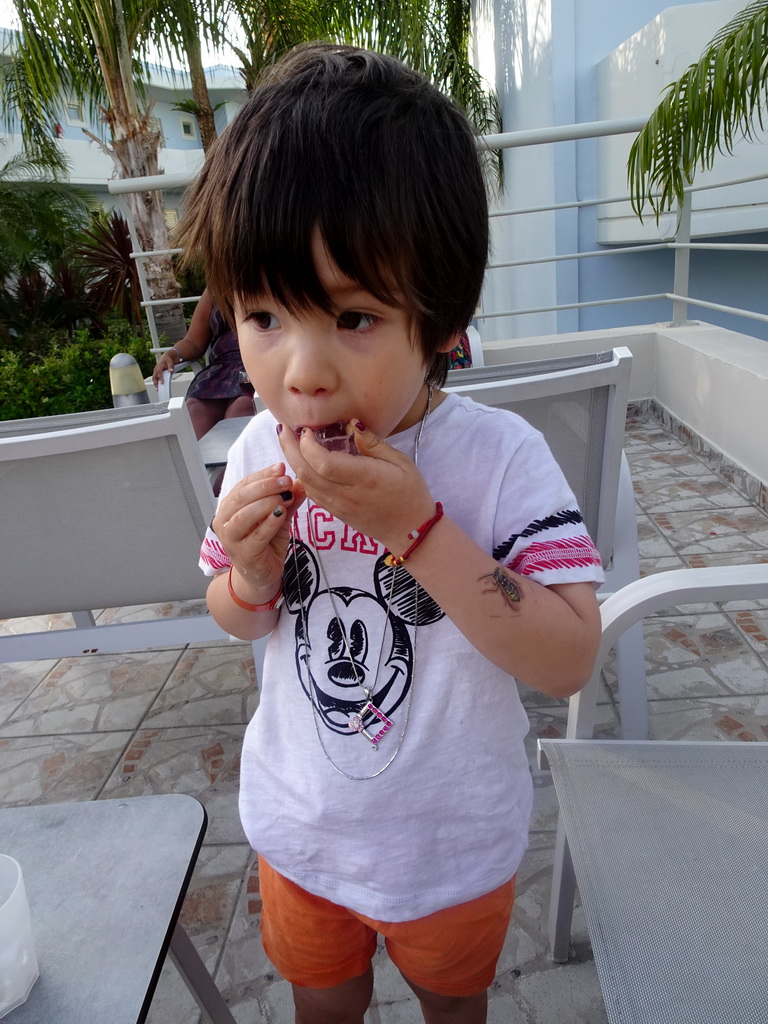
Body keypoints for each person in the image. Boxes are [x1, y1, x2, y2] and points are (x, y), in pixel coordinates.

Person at [178, 44, 603, 1024]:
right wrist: (248, 576)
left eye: (355, 316)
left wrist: (418, 529)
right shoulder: (253, 453)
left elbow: (572, 654)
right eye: (265, 314)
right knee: (323, 1007)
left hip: (452, 844)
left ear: (442, 316)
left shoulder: (499, 458)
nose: (302, 371)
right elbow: (235, 616)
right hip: (303, 832)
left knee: (454, 1007)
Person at [152, 287, 254, 440]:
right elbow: (193, 341)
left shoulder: (270, 276)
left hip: (257, 364)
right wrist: (171, 355)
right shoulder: (216, 286)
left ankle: (236, 463)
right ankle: (198, 464)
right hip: (221, 371)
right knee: (194, 409)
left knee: (242, 409)